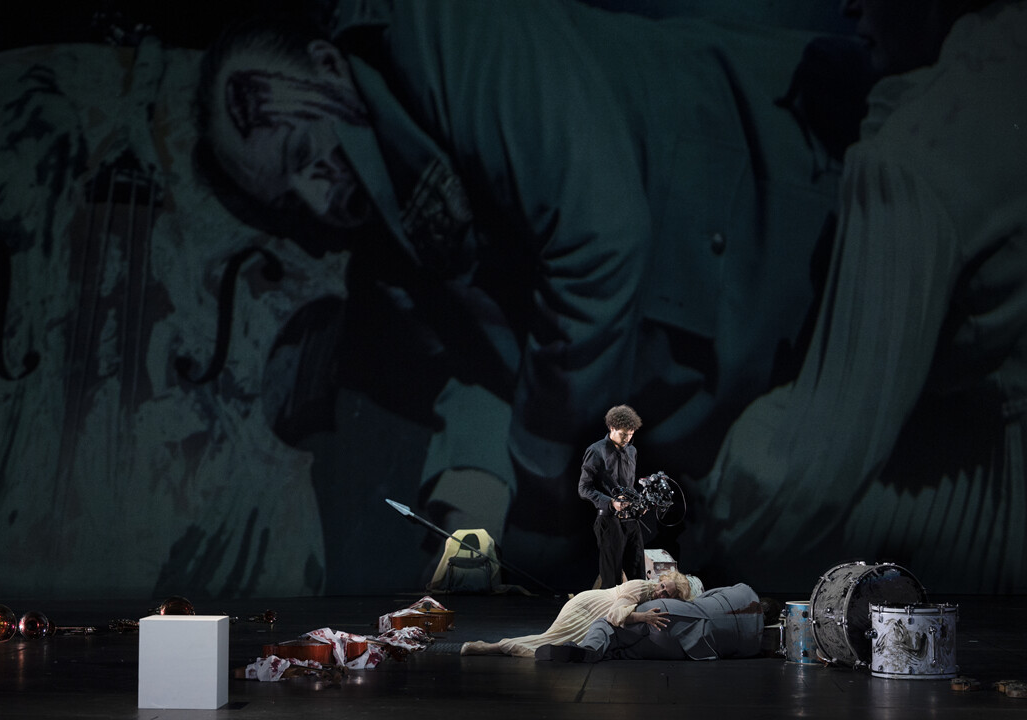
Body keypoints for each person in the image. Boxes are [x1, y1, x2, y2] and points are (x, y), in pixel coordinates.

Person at [193, 0, 874, 585]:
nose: (318, 200)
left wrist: (545, 488)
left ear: (328, 64)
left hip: (823, 211)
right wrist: (471, 497)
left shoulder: (445, 35)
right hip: (766, 365)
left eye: (302, 154)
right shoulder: (386, 243)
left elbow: (598, 237)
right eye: (289, 197)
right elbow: (483, 359)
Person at [684, 0, 1027, 593]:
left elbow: (811, 485)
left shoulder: (907, 162)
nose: (847, 5)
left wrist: (716, 512)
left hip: (999, 503)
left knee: (754, 465)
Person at [460, 569, 700, 658]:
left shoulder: (653, 596)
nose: (660, 592)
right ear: (661, 580)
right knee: (550, 640)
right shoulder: (640, 588)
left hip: (594, 611)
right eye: (662, 586)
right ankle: (484, 647)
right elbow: (614, 615)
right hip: (587, 608)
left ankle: (489, 647)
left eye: (666, 593)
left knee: (559, 644)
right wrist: (643, 617)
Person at [535, 582, 772, 662]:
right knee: (626, 651)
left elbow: (705, 597)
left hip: (666, 613)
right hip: (687, 647)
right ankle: (600, 652)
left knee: (608, 627)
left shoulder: (742, 590)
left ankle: (589, 650)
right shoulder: (752, 645)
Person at [579, 405, 645, 587]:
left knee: (638, 575)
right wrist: (611, 502)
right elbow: (583, 488)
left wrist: (639, 503)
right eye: (623, 434)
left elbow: (629, 487)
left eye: (631, 434)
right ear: (612, 427)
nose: (627, 439)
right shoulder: (596, 450)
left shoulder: (632, 451)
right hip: (609, 520)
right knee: (612, 579)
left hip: (631, 519)